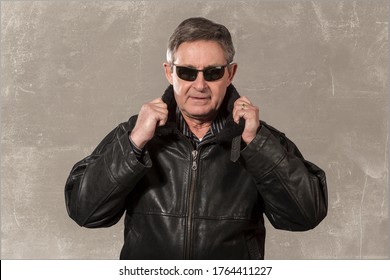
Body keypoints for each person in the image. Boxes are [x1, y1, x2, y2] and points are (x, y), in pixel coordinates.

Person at [65, 17, 328, 260]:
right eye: (187, 73)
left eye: (212, 72)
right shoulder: (137, 134)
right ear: (170, 73)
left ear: (230, 74)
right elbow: (85, 212)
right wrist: (134, 144)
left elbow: (305, 216)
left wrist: (256, 142)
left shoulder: (255, 139)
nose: (200, 85)